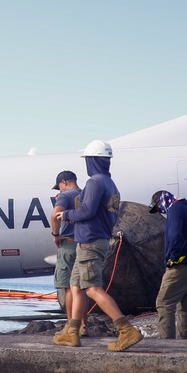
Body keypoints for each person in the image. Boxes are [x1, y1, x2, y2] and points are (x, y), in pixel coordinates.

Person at [54, 140, 142, 351]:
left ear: (91, 161)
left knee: (92, 289)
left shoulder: (94, 182)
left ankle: (126, 330)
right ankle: (73, 332)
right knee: (76, 286)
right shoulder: (111, 185)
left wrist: (65, 214)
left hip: (90, 242)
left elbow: (87, 212)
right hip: (94, 240)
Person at [150, 190, 187, 339]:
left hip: (182, 265)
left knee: (164, 302)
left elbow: (175, 235)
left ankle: (168, 344)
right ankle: (185, 342)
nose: (160, 211)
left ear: (162, 200)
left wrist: (173, 257)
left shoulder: (175, 209)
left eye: (158, 207)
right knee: (185, 304)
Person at [50, 170, 82, 325]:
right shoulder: (86, 195)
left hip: (69, 244)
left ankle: (71, 325)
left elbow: (55, 215)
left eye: (59, 187)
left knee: (68, 287)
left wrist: (55, 234)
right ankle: (83, 324)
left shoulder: (65, 195)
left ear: (64, 182)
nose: (59, 191)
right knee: (82, 288)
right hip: (84, 245)